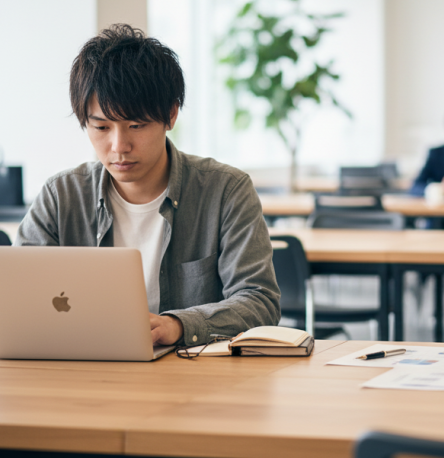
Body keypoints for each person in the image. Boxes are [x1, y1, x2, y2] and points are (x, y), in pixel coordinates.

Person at [16, 24, 281, 347]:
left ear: (171, 115)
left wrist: (178, 325)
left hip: (191, 370)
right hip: (83, 363)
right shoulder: (61, 196)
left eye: (136, 125)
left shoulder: (225, 191)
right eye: (101, 127)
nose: (119, 146)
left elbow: (259, 300)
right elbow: (16, 294)